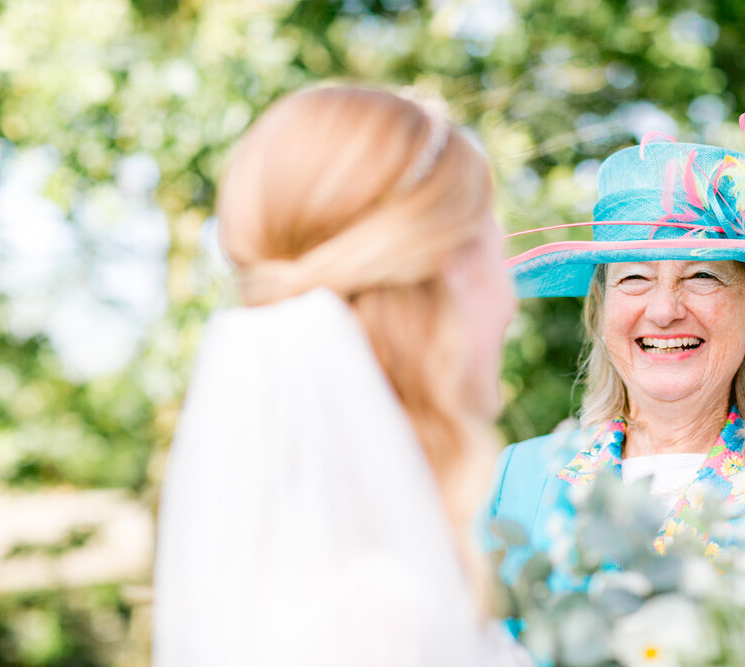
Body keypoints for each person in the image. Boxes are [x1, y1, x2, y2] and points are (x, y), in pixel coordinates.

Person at [152, 86, 523, 666]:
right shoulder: (383, 622)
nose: (512, 303)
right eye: (494, 252)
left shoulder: (307, 574)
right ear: (447, 277)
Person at [488, 111, 745, 601]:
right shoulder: (519, 476)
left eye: (701, 276)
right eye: (633, 278)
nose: (663, 311)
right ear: (601, 311)